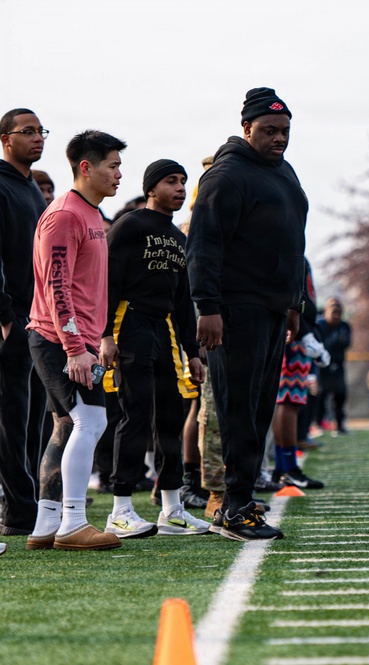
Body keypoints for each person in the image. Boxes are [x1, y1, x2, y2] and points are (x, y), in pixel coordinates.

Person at [187, 87, 307, 541]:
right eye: (269, 130)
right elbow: (203, 246)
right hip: (236, 309)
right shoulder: (227, 175)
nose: (279, 138)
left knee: (257, 411)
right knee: (238, 410)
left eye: (285, 131)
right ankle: (235, 507)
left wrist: (294, 302)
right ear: (246, 129)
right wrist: (208, 307)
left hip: (273, 309)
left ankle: (239, 504)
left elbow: (292, 242)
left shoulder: (284, 172)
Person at [26, 130, 127, 551]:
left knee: (67, 425)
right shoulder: (65, 214)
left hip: (77, 341)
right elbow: (57, 287)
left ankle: (47, 525)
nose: (120, 174)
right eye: (113, 165)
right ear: (86, 167)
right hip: (59, 341)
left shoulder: (91, 214)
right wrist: (74, 349)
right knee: (93, 421)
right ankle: (73, 523)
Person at [99, 159, 210, 538]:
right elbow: (107, 283)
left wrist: (192, 351)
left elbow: (182, 301)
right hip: (130, 323)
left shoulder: (180, 239)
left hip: (165, 330)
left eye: (183, 181)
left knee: (169, 418)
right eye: (170, 181)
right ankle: (120, 509)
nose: (179, 188)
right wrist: (105, 335)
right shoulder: (130, 226)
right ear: (151, 188)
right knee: (136, 414)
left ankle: (172, 509)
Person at [0, 108, 50, 536]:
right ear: (5, 138)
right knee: (12, 417)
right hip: (11, 318)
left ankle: (26, 505)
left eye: (40, 131)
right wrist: (3, 317)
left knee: (35, 417)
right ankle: (19, 510)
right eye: (27, 131)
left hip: (35, 318)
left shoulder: (29, 187)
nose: (37, 138)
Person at [270, 259, 328, 490]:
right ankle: (288, 467)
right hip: (294, 334)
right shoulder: (289, 249)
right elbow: (293, 295)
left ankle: (283, 467)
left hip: (295, 331)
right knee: (288, 402)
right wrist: (306, 333)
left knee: (287, 402)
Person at [315, 297, 351, 434]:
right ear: (326, 311)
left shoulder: (344, 326)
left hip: (338, 366)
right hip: (322, 367)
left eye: (339, 312)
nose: (336, 315)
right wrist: (336, 339)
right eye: (333, 312)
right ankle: (318, 423)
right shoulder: (320, 325)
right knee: (320, 396)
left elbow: (347, 343)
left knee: (341, 396)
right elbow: (323, 346)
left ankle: (339, 424)